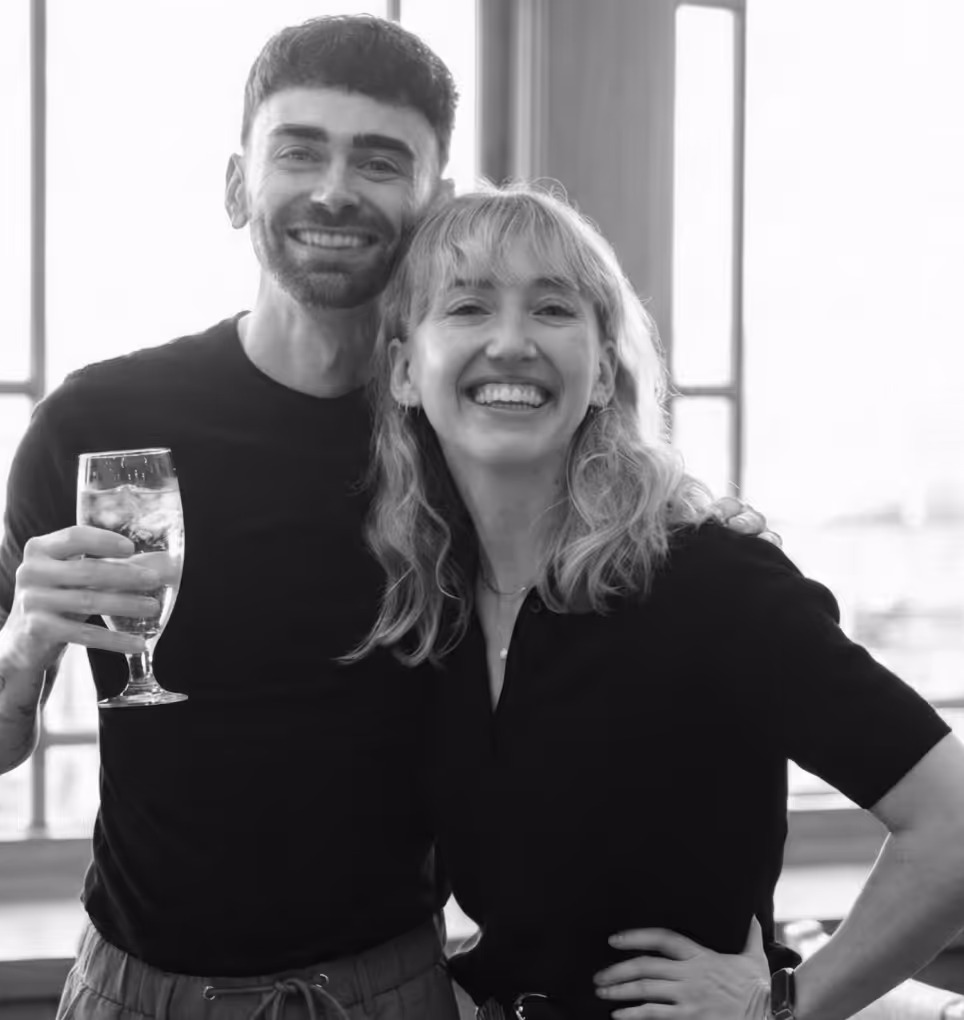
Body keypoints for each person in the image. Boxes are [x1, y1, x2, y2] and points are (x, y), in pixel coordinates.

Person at [0, 16, 770, 1020]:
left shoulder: (465, 440)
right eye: (299, 151)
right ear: (239, 185)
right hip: (130, 993)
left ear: (433, 205)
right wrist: (24, 639)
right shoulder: (99, 423)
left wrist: (755, 959)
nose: (334, 189)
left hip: (393, 993)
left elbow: (633, 657)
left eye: (379, 160)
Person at [354, 183, 964, 1020]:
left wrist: (786, 1008)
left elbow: (953, 824)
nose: (510, 342)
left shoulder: (712, 582)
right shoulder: (430, 604)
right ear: (403, 373)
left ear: (603, 371)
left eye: (554, 309)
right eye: (467, 307)